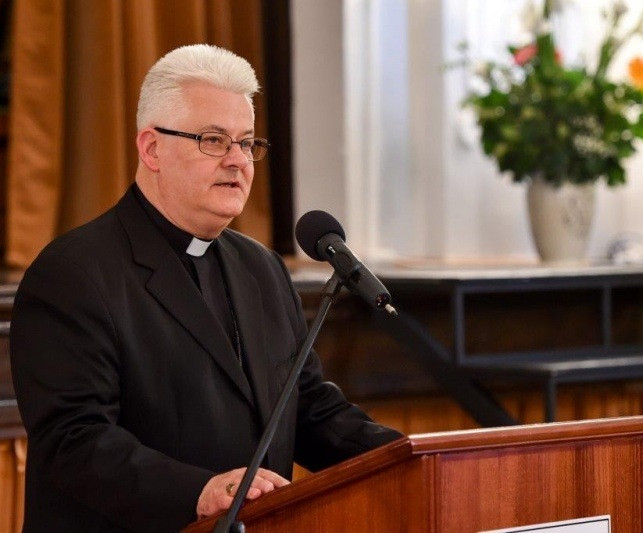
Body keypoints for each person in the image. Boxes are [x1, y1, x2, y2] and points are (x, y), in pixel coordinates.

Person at [10, 44, 402, 532]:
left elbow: (305, 407)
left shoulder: (260, 267)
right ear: (151, 148)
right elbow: (73, 440)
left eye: (247, 143)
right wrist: (198, 491)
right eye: (214, 140)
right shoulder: (74, 273)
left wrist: (406, 456)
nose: (238, 161)